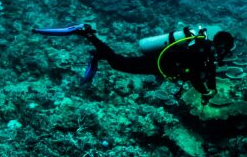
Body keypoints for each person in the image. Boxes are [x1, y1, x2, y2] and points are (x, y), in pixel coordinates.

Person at [33, 23, 235, 104]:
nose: (225, 54)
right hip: (156, 63)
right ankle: (87, 33)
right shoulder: (202, 51)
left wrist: (212, 90)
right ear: (222, 45)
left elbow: (210, 72)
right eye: (226, 49)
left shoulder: (206, 50)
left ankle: (97, 53)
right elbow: (195, 75)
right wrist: (205, 92)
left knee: (118, 62)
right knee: (118, 64)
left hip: (160, 66)